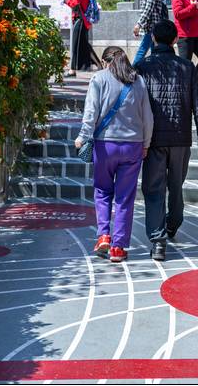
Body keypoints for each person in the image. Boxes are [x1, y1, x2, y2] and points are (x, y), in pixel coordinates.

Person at [135, 20, 198, 261]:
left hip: (153, 139)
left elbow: (133, 106)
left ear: (154, 39)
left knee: (153, 189)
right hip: (180, 138)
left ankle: (158, 241)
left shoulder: (142, 67)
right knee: (175, 184)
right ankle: (173, 224)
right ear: (176, 40)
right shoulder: (187, 67)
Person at [75, 47, 154, 263]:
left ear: (104, 61)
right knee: (125, 197)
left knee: (102, 191)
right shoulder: (138, 81)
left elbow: (90, 112)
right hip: (133, 146)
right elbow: (148, 117)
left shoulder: (98, 79)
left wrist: (83, 136)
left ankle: (103, 235)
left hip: (105, 145)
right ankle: (118, 248)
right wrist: (146, 143)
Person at [63, 0, 99, 77]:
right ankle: (99, 65)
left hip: (79, 20)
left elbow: (74, 4)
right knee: (84, 45)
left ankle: (72, 70)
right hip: (84, 21)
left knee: (75, 45)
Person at [132, 0, 167, 64]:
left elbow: (148, 8)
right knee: (154, 52)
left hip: (152, 25)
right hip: (149, 26)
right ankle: (156, 72)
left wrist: (138, 24)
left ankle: (130, 73)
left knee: (142, 51)